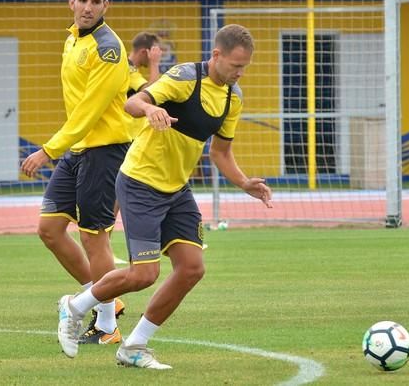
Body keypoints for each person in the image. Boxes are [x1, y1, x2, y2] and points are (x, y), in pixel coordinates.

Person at [56, 24, 273, 368]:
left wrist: (245, 183)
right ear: (216, 55)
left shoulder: (234, 98)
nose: (239, 73)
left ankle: (134, 346)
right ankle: (75, 308)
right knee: (144, 274)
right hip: (141, 181)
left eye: (244, 67)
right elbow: (133, 101)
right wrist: (151, 110)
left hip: (176, 188)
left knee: (191, 268)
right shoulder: (185, 77)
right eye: (235, 65)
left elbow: (220, 154)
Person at [20, 0, 131, 345]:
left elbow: (88, 113)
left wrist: (47, 150)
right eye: (82, 0)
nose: (87, 7)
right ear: (71, 2)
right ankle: (103, 301)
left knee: (93, 236)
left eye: (95, 1)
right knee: (49, 229)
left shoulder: (108, 48)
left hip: (105, 150)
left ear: (106, 6)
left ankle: (106, 326)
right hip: (78, 149)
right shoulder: (72, 40)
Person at [127, 31, 163, 138]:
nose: (156, 55)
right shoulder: (128, 69)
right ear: (144, 52)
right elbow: (152, 91)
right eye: (153, 52)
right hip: (129, 134)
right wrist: (154, 63)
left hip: (132, 133)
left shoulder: (133, 70)